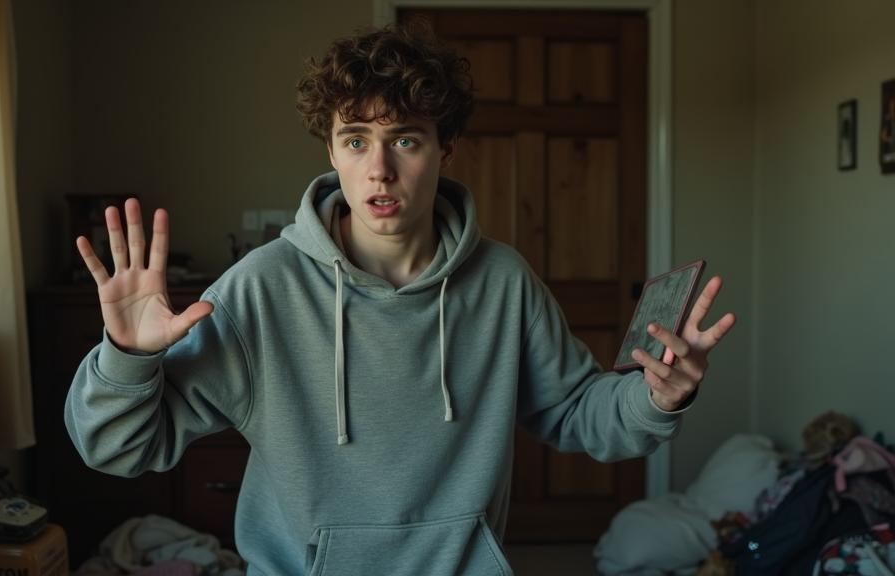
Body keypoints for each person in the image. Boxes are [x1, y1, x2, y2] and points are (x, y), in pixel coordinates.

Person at [65, 23, 736, 575]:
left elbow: (580, 413)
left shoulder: (503, 282)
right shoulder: (262, 288)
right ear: (332, 152)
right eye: (356, 140)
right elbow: (116, 449)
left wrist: (657, 396)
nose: (379, 170)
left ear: (447, 147)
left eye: (405, 140)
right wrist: (125, 356)